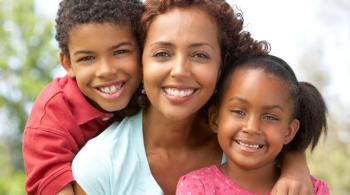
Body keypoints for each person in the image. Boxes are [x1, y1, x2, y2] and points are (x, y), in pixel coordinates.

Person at [72, 1, 313, 195]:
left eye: (199, 55)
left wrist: (294, 162)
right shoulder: (100, 165)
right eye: (162, 53)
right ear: (141, 62)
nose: (180, 70)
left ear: (222, 65)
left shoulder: (243, 139)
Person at [22, 0, 143, 194]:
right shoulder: (49, 121)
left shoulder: (153, 88)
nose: (106, 71)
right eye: (87, 58)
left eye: (120, 52)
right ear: (68, 63)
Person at [176, 54, 329, 195]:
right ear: (215, 119)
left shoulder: (312, 191)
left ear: (289, 132)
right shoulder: (197, 186)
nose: (252, 128)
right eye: (239, 112)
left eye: (270, 117)